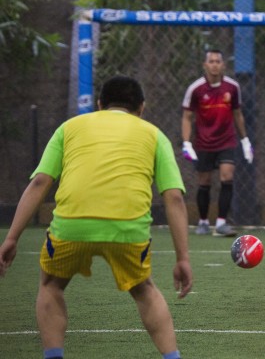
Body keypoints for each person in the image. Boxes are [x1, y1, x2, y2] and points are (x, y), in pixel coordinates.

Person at [0, 75, 193, 359]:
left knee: (51, 285)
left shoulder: (70, 127)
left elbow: (40, 182)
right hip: (127, 230)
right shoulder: (153, 134)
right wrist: (183, 258)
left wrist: (12, 237)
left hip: (71, 225)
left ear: (100, 104)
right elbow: (174, 197)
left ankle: (53, 355)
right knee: (144, 289)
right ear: (142, 107)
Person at [181, 49, 254, 237]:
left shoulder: (232, 87)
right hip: (204, 142)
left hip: (226, 141)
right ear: (205, 65)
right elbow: (187, 117)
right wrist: (186, 143)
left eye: (217, 61)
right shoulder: (195, 89)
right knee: (204, 181)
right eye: (211, 61)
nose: (214, 64)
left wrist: (245, 140)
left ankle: (221, 223)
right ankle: (203, 221)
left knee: (227, 177)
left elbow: (237, 114)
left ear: (223, 65)